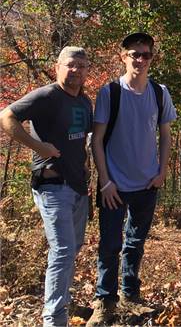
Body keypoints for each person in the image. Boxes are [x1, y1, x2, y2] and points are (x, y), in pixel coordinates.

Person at [87, 32, 177, 326]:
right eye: (134, 54)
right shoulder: (110, 92)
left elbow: (165, 135)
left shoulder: (160, 92)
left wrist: (162, 171)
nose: (140, 59)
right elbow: (96, 141)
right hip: (114, 185)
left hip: (147, 183)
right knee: (110, 244)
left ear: (152, 57)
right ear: (123, 56)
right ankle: (105, 301)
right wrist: (105, 181)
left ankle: (130, 295)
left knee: (135, 244)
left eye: (145, 54)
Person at [0, 47, 93, 326]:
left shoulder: (85, 102)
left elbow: (82, 140)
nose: (76, 70)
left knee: (72, 247)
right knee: (63, 250)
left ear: (88, 70)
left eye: (82, 66)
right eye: (70, 65)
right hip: (51, 185)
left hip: (78, 186)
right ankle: (54, 319)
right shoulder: (47, 95)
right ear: (57, 67)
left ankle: (61, 301)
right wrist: (39, 147)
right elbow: (6, 116)